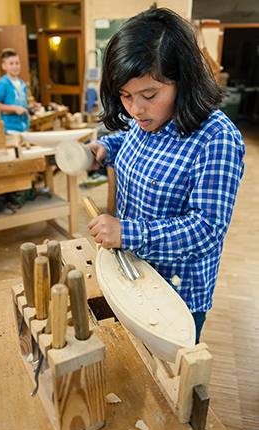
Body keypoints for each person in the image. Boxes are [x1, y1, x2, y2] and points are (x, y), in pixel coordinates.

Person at [85, 7, 245, 344]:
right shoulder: (146, 120)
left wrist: (128, 232)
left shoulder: (216, 139)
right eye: (125, 96)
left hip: (174, 294)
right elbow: (133, 141)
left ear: (182, 81)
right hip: (129, 273)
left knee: (167, 386)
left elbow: (206, 230)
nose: (135, 109)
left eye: (148, 95)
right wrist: (105, 148)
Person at [0, 48, 38, 132]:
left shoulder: (22, 84)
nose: (15, 66)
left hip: (24, 128)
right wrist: (14, 108)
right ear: (4, 66)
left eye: (17, 63)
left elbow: (22, 102)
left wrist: (33, 106)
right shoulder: (3, 84)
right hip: (9, 129)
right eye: (11, 64)